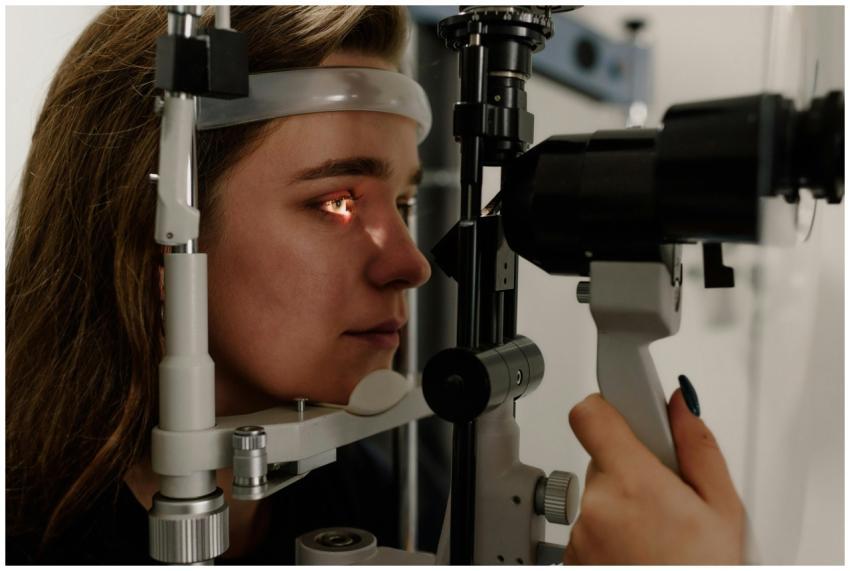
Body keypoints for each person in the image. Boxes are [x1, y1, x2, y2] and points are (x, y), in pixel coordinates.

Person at [5, 5, 745, 565]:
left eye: (406, 202)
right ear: (159, 239)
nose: (413, 263)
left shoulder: (392, 480)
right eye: (337, 202)